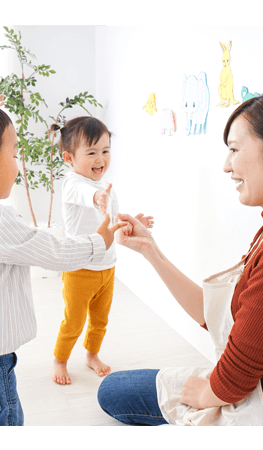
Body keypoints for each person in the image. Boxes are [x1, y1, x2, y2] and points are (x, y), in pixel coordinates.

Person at [97, 91, 263, 426]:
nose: (227, 165)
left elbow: (235, 381)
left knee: (112, 392)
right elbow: (216, 316)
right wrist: (150, 249)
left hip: (262, 413)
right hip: (252, 395)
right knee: (114, 389)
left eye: (235, 149)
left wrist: (203, 395)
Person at [0, 98, 128, 426]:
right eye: (15, 154)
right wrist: (99, 240)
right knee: (3, 417)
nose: (18, 163)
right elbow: (55, 253)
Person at [50, 117, 154, 385]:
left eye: (106, 151)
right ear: (69, 158)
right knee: (73, 321)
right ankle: (59, 360)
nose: (101, 159)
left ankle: (91, 355)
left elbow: (113, 225)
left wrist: (132, 224)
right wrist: (97, 198)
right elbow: (87, 196)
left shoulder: (107, 186)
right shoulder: (73, 183)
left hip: (107, 267)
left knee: (100, 319)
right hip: (79, 269)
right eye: (92, 152)